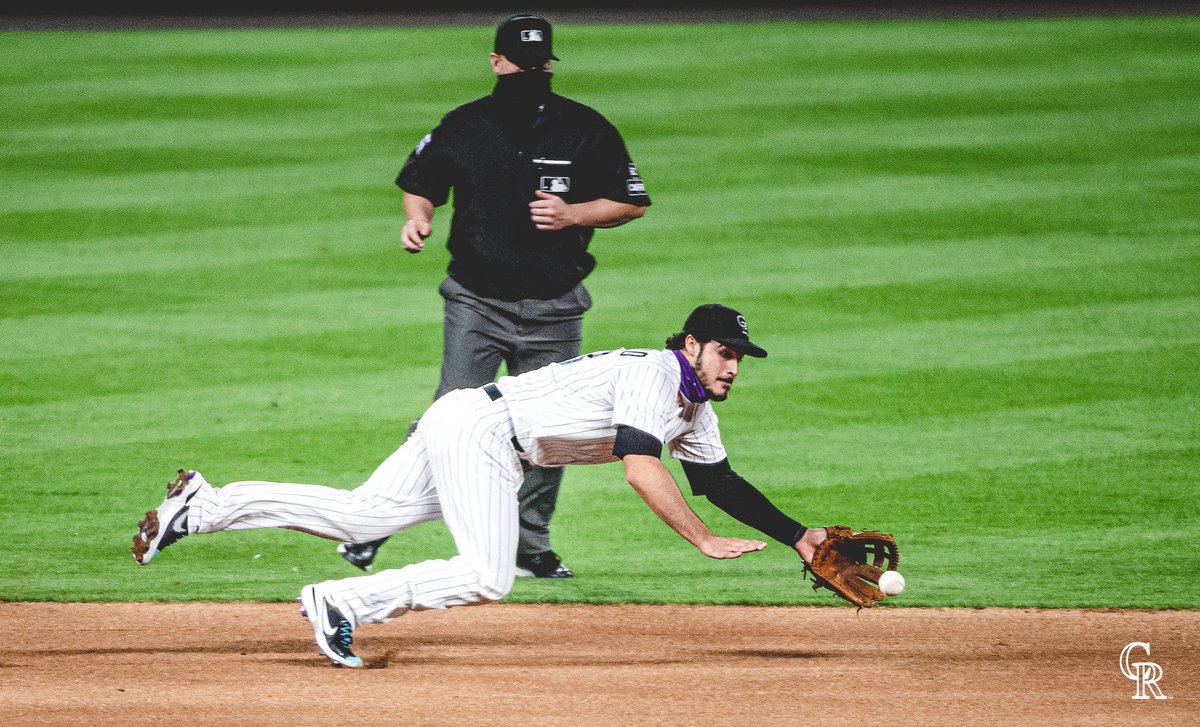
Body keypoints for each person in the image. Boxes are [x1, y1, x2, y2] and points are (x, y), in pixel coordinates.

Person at [131, 304, 832, 668]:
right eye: (724, 353)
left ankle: (204, 505)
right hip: (484, 435)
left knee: (359, 516)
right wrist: (701, 541)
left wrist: (801, 537)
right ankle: (340, 600)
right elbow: (640, 467)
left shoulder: (694, 406)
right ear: (691, 347)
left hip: (471, 420)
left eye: (740, 358)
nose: (734, 366)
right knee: (488, 574)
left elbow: (718, 482)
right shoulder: (654, 377)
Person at [338, 13, 651, 578]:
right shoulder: (466, 125)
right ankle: (373, 525)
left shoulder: (585, 128)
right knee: (445, 419)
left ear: (549, 64)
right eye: (520, 62)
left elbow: (631, 200)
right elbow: (419, 183)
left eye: (538, 63)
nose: (530, 72)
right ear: (496, 62)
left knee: (551, 435)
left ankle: (529, 545)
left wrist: (573, 212)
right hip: (477, 302)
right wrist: (418, 220)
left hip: (556, 306)